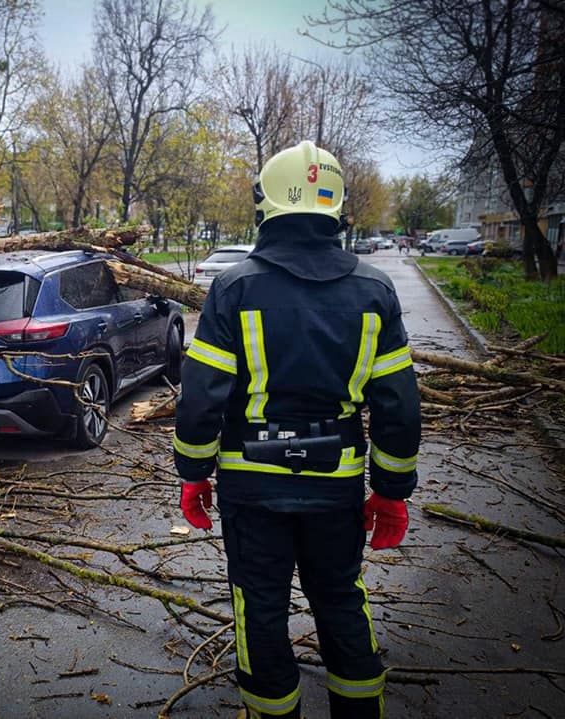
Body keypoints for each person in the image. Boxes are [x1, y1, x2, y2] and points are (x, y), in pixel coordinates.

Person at [173, 140, 421, 719]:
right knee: (339, 599)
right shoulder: (374, 292)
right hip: (336, 487)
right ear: (335, 208)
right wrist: (390, 491)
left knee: (259, 608)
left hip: (250, 489)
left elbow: (202, 398)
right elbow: (399, 408)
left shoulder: (235, 288)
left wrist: (191, 474)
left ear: (267, 207)